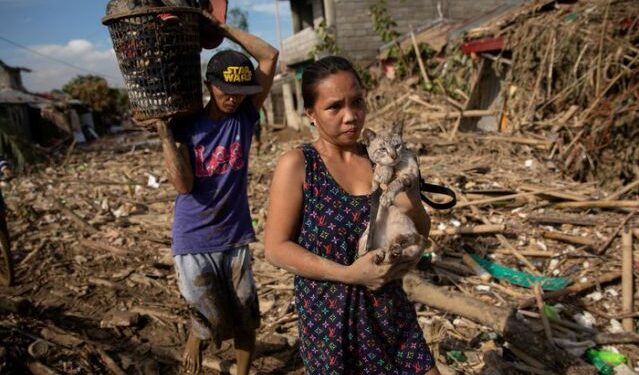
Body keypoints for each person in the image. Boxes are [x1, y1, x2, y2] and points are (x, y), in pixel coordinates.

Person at [263, 56, 440, 374]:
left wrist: (410, 197)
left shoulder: (382, 159)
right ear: (311, 113)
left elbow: (421, 229)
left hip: (390, 311)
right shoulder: (300, 165)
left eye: (357, 102)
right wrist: (348, 274)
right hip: (332, 322)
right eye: (334, 107)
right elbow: (276, 248)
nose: (351, 117)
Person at [154, 18, 278, 375]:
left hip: (234, 234)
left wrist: (220, 29)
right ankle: (197, 334)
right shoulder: (187, 125)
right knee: (207, 314)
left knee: (245, 315)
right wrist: (165, 137)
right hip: (193, 237)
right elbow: (183, 186)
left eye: (239, 91)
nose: (233, 97)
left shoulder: (244, 117)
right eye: (226, 90)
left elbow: (269, 55)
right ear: (210, 85)